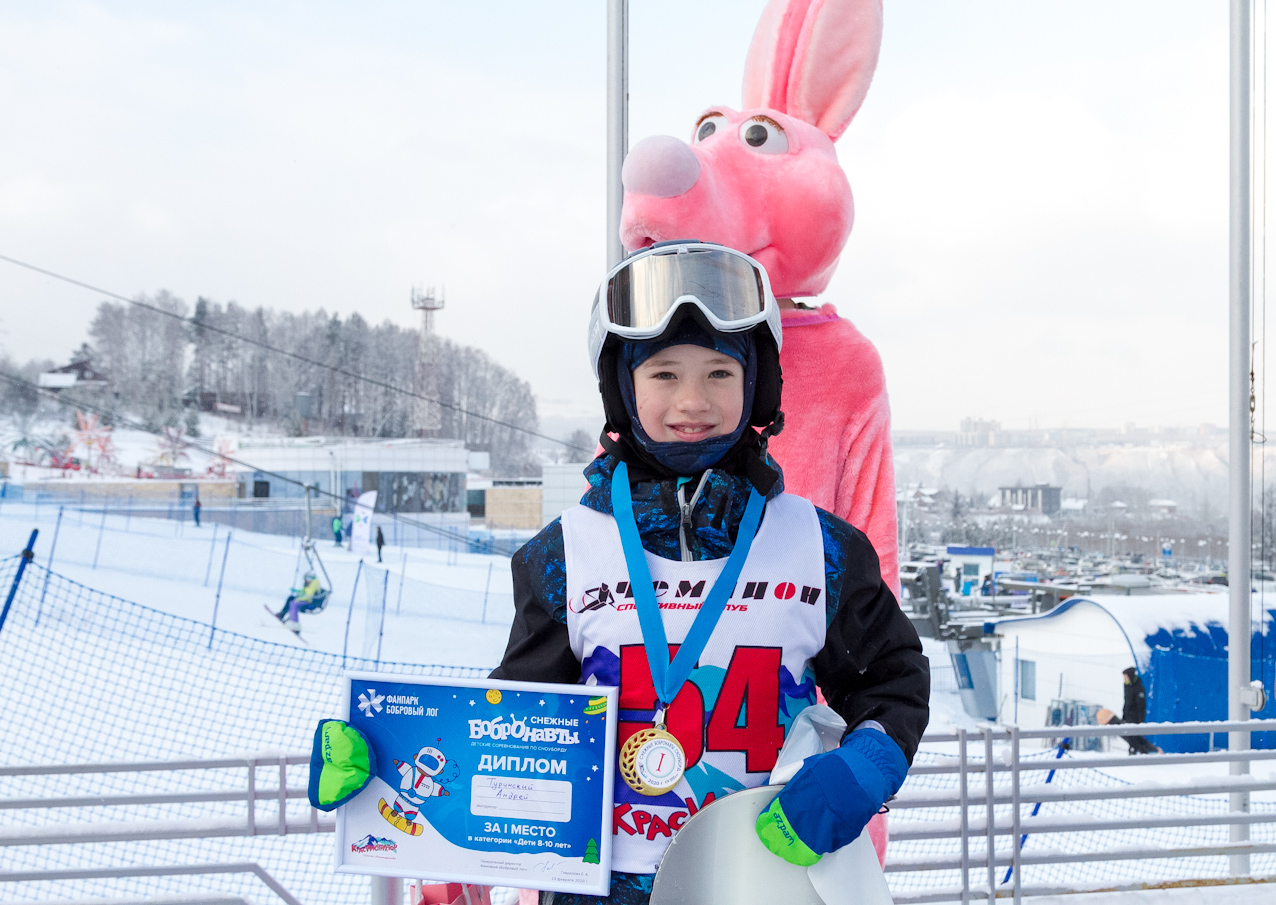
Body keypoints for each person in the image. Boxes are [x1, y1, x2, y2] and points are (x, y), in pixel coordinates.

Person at [490, 243, 929, 903]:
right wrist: (387, 757)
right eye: (664, 373)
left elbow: (891, 679)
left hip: (764, 880)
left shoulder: (820, 548)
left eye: (720, 372)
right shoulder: (564, 555)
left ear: (758, 384)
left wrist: (861, 769)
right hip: (596, 887)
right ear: (623, 388)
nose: (692, 400)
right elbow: (512, 727)